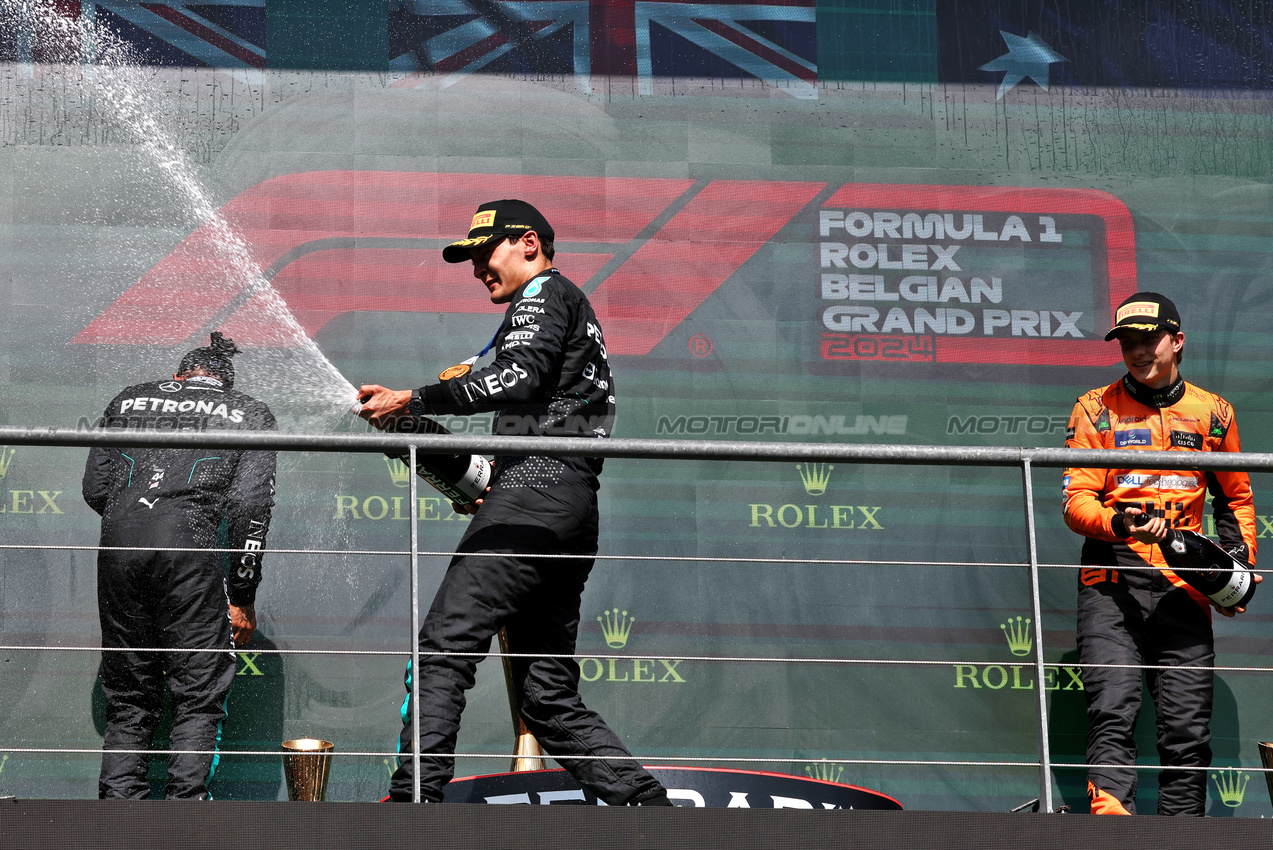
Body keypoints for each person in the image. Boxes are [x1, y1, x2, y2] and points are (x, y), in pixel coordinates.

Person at [357, 199, 670, 806]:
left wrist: (412, 400)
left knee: (445, 647)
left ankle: (411, 802)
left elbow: (516, 379)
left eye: (485, 252)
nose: (477, 268)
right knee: (546, 699)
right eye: (470, 258)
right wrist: (426, 443)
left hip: (534, 496)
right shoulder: (558, 306)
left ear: (529, 242)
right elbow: (526, 423)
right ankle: (651, 809)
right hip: (564, 504)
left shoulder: (547, 293)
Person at [1061, 292, 1259, 816]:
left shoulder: (1214, 413)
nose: (1137, 350)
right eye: (1127, 341)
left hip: (1185, 586)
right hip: (1111, 577)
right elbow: (1076, 501)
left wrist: (1238, 564)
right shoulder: (1093, 408)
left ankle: (1182, 837)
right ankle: (1111, 829)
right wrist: (1118, 523)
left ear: (1177, 341)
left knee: (1187, 728)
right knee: (1112, 708)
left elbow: (1235, 496)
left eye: (1148, 339)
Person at [82, 332, 276, 800]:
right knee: (198, 692)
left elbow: (95, 489)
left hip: (118, 550)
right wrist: (243, 595)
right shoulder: (249, 411)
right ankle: (184, 816)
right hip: (190, 551)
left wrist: (138, 514)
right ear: (225, 385)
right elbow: (252, 508)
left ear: (178, 377)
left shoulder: (128, 398)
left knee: (129, 698)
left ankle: (116, 814)